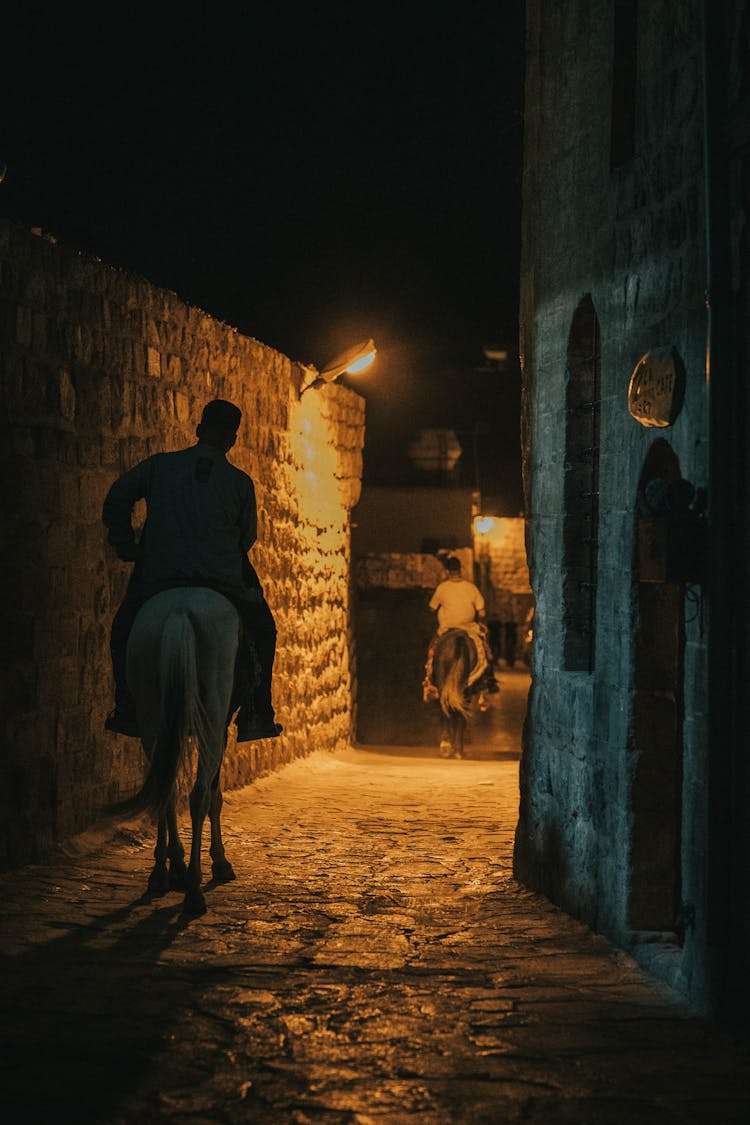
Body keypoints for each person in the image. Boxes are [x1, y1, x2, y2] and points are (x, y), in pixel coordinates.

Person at [102, 398, 281, 742]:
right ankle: (258, 710)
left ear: (199, 430)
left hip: (158, 578)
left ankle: (126, 705)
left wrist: (125, 542)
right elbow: (248, 537)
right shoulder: (240, 483)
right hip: (222, 582)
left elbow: (118, 497)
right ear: (232, 439)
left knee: (123, 629)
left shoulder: (158, 467)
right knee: (264, 631)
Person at [424, 555, 499, 699]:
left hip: (447, 628)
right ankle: (488, 682)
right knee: (486, 650)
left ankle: (429, 681)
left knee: (431, 650)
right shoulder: (471, 587)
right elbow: (482, 611)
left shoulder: (442, 588)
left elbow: (432, 608)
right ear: (461, 570)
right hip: (469, 628)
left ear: (447, 571)